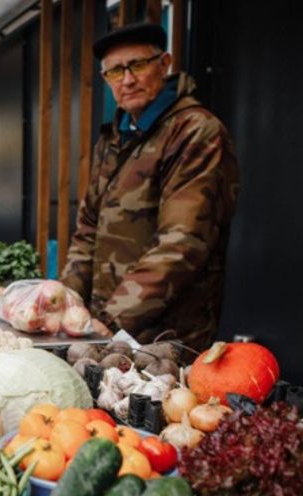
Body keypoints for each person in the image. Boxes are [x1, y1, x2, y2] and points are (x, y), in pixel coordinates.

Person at [61, 23, 240, 351]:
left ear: (165, 63)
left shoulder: (195, 133)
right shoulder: (114, 138)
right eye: (115, 71)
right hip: (106, 328)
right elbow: (87, 232)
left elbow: (183, 243)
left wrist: (112, 319)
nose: (127, 80)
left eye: (138, 65)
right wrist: (63, 302)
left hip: (167, 338)